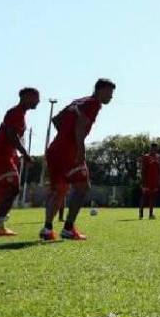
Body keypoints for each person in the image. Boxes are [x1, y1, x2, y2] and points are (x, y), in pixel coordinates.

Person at [41, 79, 116, 242]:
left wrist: (64, 135)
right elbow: (80, 127)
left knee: (59, 189)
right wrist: (80, 149)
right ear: (100, 90)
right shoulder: (93, 103)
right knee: (82, 187)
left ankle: (47, 229)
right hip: (69, 151)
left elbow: (56, 120)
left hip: (54, 150)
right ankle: (68, 228)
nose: (111, 97)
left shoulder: (78, 102)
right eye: (109, 93)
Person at [0, 88, 38, 238]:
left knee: (11, 189)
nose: (37, 101)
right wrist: (25, 154)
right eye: (35, 97)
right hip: (2, 156)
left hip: (8, 156)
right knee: (4, 189)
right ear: (25, 97)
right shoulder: (15, 113)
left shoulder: (20, 115)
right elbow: (11, 134)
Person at [139, 143, 160, 219]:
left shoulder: (158, 157)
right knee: (144, 197)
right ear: (150, 148)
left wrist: (159, 179)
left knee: (153, 197)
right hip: (147, 181)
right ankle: (141, 213)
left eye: (156, 149)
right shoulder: (146, 157)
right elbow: (143, 170)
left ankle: (151, 214)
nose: (154, 150)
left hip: (155, 181)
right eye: (153, 148)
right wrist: (142, 181)